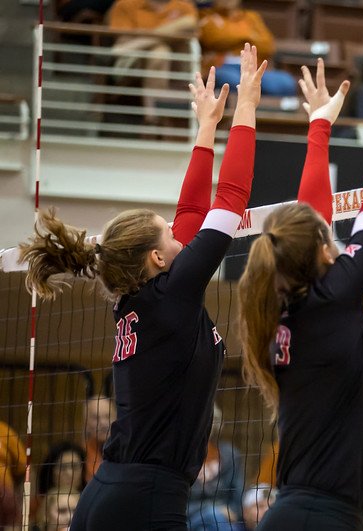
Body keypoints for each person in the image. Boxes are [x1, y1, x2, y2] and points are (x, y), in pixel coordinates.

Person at [20, 44, 266, 530]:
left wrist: (206, 127)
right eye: (170, 235)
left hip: (112, 493)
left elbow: (192, 214)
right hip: (145, 499)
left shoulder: (149, 298)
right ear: (156, 258)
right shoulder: (169, 297)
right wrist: (249, 108)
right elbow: (231, 197)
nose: (180, 234)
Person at [238, 32, 363, 530]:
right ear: (323, 252)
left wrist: (319, 127)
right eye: (327, 238)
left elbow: (312, 218)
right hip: (319, 518)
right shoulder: (331, 298)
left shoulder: (289, 306)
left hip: (300, 513)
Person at [108, 0, 199, 128]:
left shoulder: (184, 6)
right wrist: (168, 34)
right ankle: (154, 120)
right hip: (132, 62)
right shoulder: (125, 4)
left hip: (176, 64)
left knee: (165, 46)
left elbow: (191, 26)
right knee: (160, 52)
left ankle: (152, 119)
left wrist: (141, 41)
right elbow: (123, 38)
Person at [198, 0, 297, 96]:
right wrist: (249, 35)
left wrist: (232, 37)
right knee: (232, 81)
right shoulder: (206, 16)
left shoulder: (251, 17)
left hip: (253, 68)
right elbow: (215, 39)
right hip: (224, 67)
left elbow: (268, 46)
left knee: (286, 82)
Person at [82, 394, 115, 483]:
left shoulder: (126, 452)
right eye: (96, 418)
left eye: (108, 416)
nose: (103, 423)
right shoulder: (81, 454)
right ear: (86, 423)